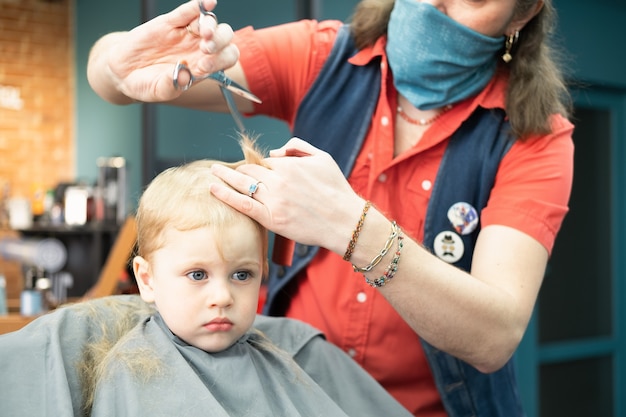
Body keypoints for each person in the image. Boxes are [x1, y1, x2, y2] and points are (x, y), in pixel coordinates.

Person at [86, 0, 575, 415]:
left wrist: (352, 227)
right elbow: (109, 70)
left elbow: (495, 336)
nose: (435, 7)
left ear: (522, 14)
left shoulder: (534, 138)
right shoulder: (323, 56)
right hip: (297, 397)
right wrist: (117, 69)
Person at [0, 136, 412, 417]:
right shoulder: (115, 360)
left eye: (241, 275)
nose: (222, 296)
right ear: (147, 280)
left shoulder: (300, 353)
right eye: (197, 274)